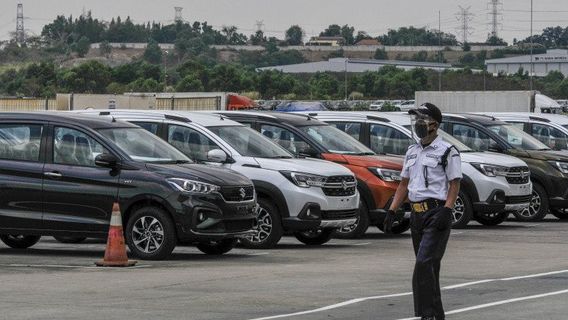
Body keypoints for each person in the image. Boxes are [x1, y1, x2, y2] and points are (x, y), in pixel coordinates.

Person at [384, 103, 462, 320]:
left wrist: (447, 210)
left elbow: (454, 184)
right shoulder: (412, 150)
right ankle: (437, 314)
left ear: (434, 125)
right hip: (416, 215)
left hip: (436, 213)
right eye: (416, 120)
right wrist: (392, 211)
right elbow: (403, 184)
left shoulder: (447, 151)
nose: (417, 124)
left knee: (423, 263)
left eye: (421, 120)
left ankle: (427, 314)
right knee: (429, 267)